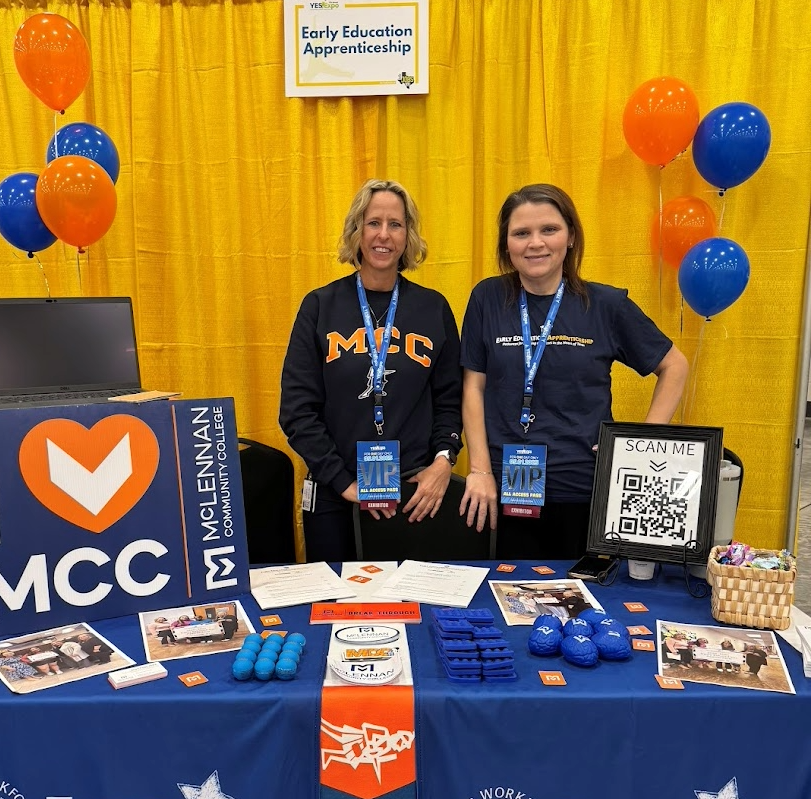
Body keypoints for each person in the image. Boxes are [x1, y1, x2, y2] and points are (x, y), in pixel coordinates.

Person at [459, 184, 689, 559]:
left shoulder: (605, 304)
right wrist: (481, 470)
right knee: (510, 601)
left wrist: (635, 447)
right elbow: (473, 388)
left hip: (587, 489)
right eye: (521, 233)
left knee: (583, 600)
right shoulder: (487, 298)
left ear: (570, 237)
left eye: (549, 229)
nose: (536, 243)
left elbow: (674, 365)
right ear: (506, 245)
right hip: (504, 488)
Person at [280, 178, 463, 561]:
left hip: (414, 493)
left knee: (410, 607)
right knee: (335, 608)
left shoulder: (433, 308)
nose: (384, 235)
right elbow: (297, 410)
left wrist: (444, 460)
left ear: (408, 234)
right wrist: (345, 482)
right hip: (336, 493)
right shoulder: (320, 306)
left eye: (395, 224)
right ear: (356, 230)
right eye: (372, 222)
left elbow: (451, 398)